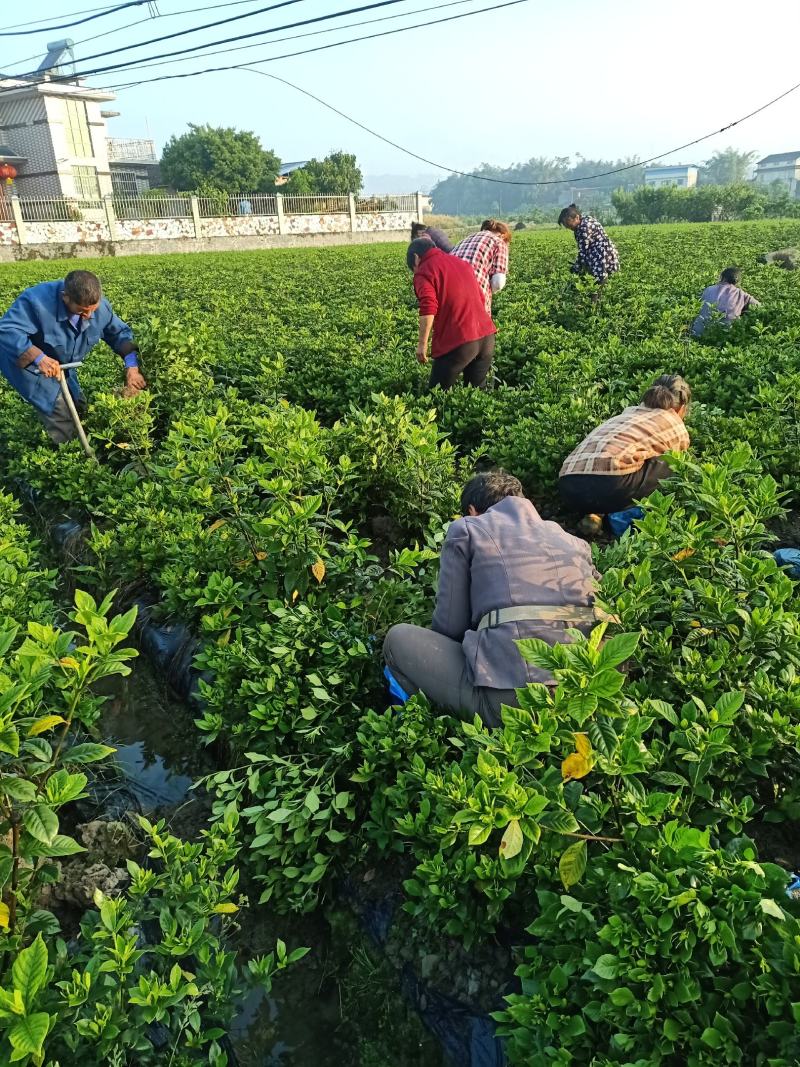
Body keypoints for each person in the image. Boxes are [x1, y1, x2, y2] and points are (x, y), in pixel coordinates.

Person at [383, 470, 599, 727]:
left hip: (514, 702)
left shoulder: (467, 528)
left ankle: (420, 730)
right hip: (587, 697)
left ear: (473, 510)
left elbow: (450, 627)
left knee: (397, 639)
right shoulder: (575, 542)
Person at [0, 270, 146, 446]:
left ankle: (87, 443)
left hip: (63, 359)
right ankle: (69, 453)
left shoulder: (100, 308)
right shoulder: (36, 301)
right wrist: (39, 357)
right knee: (59, 410)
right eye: (82, 312)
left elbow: (120, 334)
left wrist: (132, 367)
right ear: (65, 297)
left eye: (93, 310)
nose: (89, 316)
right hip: (30, 364)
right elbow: (7, 330)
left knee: (78, 404)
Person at [558, 374, 691, 519]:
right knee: (675, 461)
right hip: (612, 487)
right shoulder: (673, 422)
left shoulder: (627, 414)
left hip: (568, 487)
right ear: (682, 408)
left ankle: (597, 513)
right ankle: (617, 514)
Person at [408, 238, 496, 390]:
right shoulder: (461, 263)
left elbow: (428, 306)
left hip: (460, 341)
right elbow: (481, 298)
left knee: (437, 396)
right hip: (487, 338)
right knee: (476, 397)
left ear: (416, 258)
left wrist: (422, 345)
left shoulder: (424, 270)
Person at [451, 219, 511, 314]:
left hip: (445, 292)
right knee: (478, 327)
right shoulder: (499, 242)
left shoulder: (465, 240)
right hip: (472, 297)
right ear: (503, 235)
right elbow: (498, 282)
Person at [558, 204, 619, 285]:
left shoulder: (584, 227)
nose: (569, 228)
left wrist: (576, 268)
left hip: (601, 256)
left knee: (596, 285)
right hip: (602, 255)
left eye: (569, 224)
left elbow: (583, 252)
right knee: (600, 282)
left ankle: (596, 297)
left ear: (577, 217)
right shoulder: (585, 221)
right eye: (566, 226)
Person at [691, 267, 760, 337]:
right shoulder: (741, 294)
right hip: (725, 336)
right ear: (737, 281)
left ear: (722, 278)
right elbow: (760, 307)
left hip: (698, 334)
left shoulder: (709, 289)